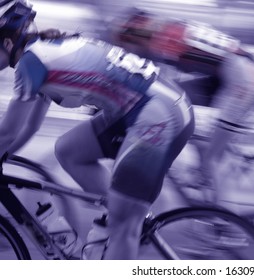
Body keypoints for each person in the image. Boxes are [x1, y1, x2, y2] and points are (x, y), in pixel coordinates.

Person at [0, 0, 194, 259]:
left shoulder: (31, 63)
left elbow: (7, 132)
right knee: (69, 150)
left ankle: (125, 223)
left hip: (158, 114)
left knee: (123, 226)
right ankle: (124, 212)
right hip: (142, 108)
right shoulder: (41, 54)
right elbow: (29, 127)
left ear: (7, 42)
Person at [109, 8, 254, 203]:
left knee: (211, 158)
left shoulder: (164, 40)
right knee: (177, 103)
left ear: (136, 37)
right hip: (225, 74)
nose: (129, 52)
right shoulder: (167, 30)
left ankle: (223, 222)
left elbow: (156, 83)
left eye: (127, 46)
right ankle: (204, 150)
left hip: (242, 80)